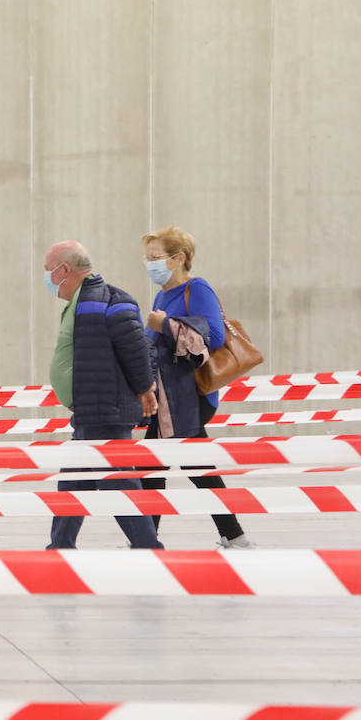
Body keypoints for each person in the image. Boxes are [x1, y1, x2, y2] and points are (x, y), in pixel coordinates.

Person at [42, 240, 162, 550]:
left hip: (105, 412)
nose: (46, 278)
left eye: (48, 271)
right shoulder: (80, 302)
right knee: (73, 482)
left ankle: (150, 548)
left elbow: (137, 349)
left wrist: (146, 388)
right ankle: (60, 547)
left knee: (121, 483)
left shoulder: (111, 300)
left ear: (64, 270)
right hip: (90, 410)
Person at [139, 226, 254, 549]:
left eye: (155, 257)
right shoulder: (163, 295)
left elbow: (214, 337)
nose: (149, 264)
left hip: (190, 395)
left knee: (152, 464)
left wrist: (164, 325)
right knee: (190, 464)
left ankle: (148, 540)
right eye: (146, 258)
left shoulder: (197, 289)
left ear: (178, 259)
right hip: (169, 395)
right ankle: (233, 535)